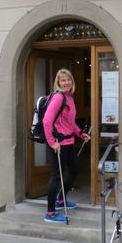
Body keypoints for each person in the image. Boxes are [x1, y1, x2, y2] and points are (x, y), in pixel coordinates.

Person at [42, 69, 90, 223]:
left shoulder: (69, 97)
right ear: (58, 82)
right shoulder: (58, 97)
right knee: (56, 177)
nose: (66, 82)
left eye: (68, 79)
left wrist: (80, 134)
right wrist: (52, 142)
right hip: (58, 145)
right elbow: (47, 121)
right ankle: (50, 213)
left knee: (75, 170)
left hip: (69, 142)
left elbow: (71, 122)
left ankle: (61, 199)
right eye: (63, 80)